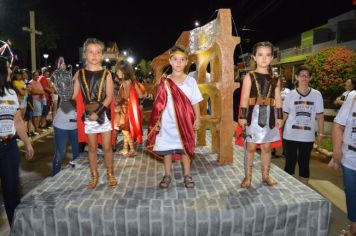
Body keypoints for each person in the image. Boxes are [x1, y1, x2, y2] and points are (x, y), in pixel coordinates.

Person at [146, 45, 203, 188]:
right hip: (167, 121)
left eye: (182, 60)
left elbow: (195, 102)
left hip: (186, 122)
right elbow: (158, 104)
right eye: (175, 59)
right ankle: (167, 175)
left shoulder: (191, 81)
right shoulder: (165, 81)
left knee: (185, 148)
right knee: (167, 150)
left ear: (186, 62)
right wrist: (157, 121)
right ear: (170, 61)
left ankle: (187, 175)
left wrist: (198, 118)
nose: (178, 63)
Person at [72, 38, 117, 189]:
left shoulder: (107, 74)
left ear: (102, 55)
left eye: (98, 52)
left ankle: (110, 173)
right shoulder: (79, 74)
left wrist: (98, 112)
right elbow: (74, 96)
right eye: (91, 52)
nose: (94, 55)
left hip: (102, 115)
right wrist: (63, 90)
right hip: (88, 116)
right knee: (91, 148)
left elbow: (109, 96)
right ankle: (94, 175)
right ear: (85, 54)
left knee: (107, 147)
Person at [238, 41, 283, 189]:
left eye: (268, 55)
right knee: (250, 147)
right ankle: (248, 177)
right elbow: (244, 97)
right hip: (253, 115)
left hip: (270, 116)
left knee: (267, 147)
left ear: (272, 58)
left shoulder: (275, 78)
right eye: (260, 55)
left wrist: (280, 116)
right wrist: (243, 116)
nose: (264, 58)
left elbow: (278, 99)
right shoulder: (249, 76)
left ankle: (265, 175)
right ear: (254, 57)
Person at [0, 57, 34, 227]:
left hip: (10, 147)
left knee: (12, 192)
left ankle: (16, 229)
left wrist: (27, 142)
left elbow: (18, 121)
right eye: (7, 68)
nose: (10, 71)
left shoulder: (12, 93)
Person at [282, 65, 324, 185]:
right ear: (297, 77)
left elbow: (320, 116)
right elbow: (285, 114)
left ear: (310, 78)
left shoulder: (317, 94)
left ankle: (304, 191)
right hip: (290, 135)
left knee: (304, 163)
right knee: (290, 162)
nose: (304, 78)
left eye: (307, 75)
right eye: (302, 75)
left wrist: (320, 134)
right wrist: (277, 128)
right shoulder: (290, 95)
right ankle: (287, 189)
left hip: (307, 136)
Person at [329, 97, 356, 236]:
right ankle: (354, 228)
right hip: (351, 158)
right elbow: (338, 125)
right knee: (352, 194)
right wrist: (337, 152)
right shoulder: (352, 98)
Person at [51, 59, 79, 175]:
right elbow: (67, 102)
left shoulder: (79, 86)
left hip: (75, 125)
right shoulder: (63, 87)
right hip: (61, 125)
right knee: (60, 153)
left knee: (77, 154)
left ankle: (74, 176)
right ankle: (55, 176)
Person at [114, 60, 144, 157]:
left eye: (118, 71)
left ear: (123, 71)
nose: (117, 72)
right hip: (129, 109)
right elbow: (140, 95)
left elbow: (125, 97)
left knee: (125, 130)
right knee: (125, 129)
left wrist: (117, 103)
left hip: (125, 109)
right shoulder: (131, 80)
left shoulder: (126, 82)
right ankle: (125, 148)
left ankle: (132, 149)